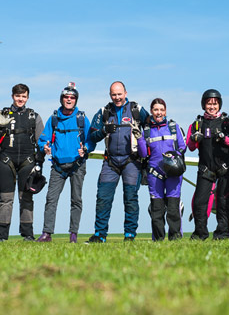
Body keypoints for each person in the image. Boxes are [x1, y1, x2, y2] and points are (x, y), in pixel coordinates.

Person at [87, 81, 149, 243]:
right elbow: (92, 136)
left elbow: (151, 127)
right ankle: (100, 235)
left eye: (119, 94)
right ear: (110, 95)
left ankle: (129, 235)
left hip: (132, 161)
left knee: (130, 198)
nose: (117, 97)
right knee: (103, 198)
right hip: (110, 162)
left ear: (126, 93)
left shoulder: (137, 109)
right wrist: (103, 131)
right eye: (114, 94)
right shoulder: (104, 112)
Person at [36, 83, 95, 243]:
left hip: (77, 165)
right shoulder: (54, 118)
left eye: (72, 97)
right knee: (51, 199)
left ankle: (73, 235)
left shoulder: (81, 119)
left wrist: (87, 148)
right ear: (62, 99)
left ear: (76, 100)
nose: (69, 100)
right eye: (66, 97)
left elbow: (91, 140)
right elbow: (43, 138)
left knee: (76, 199)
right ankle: (47, 233)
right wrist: (45, 146)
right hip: (57, 166)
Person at [0, 83, 44, 242]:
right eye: (18, 96)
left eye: (23, 96)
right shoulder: (2, 113)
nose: (20, 99)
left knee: (26, 198)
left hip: (28, 161)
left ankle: (28, 234)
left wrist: (39, 163)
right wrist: (0, 126)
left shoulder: (34, 116)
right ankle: (1, 236)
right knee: (6, 199)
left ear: (27, 98)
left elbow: (42, 142)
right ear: (13, 96)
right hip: (6, 160)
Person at [187, 89, 229, 240]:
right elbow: (190, 147)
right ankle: (200, 234)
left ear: (219, 105)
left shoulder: (226, 122)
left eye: (215, 104)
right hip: (206, 168)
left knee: (224, 203)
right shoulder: (197, 124)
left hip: (226, 167)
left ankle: (222, 234)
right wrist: (194, 138)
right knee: (199, 203)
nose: (212, 107)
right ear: (204, 105)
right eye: (209, 103)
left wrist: (226, 139)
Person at [137, 98, 186, 241]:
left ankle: (175, 238)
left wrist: (174, 157)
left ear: (165, 111)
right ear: (151, 111)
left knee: (173, 209)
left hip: (173, 173)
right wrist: (139, 138)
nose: (159, 113)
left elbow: (182, 147)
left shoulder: (173, 126)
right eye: (156, 110)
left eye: (161, 110)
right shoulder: (146, 131)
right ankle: (158, 239)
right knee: (156, 210)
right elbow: (143, 154)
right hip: (154, 174)